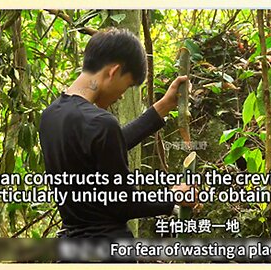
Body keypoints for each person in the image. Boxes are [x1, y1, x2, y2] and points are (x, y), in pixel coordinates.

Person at [39, 28, 194, 239]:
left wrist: (164, 106)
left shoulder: (50, 116)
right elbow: (124, 205)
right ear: (113, 71)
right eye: (127, 85)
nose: (121, 96)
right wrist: (172, 196)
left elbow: (104, 147)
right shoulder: (101, 124)